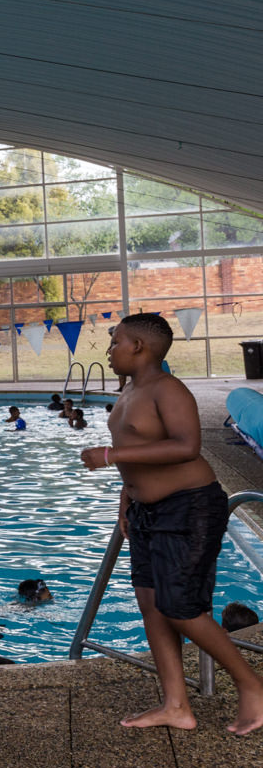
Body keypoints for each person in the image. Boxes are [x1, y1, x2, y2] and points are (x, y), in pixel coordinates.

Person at [81, 312, 263, 735]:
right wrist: (127, 497)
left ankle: (252, 685)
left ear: (139, 347)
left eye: (115, 343)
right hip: (147, 512)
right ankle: (176, 705)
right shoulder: (131, 389)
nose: (109, 352)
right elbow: (137, 443)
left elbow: (186, 445)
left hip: (188, 507)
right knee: (151, 605)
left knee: (181, 608)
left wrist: (111, 457)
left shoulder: (168, 388)